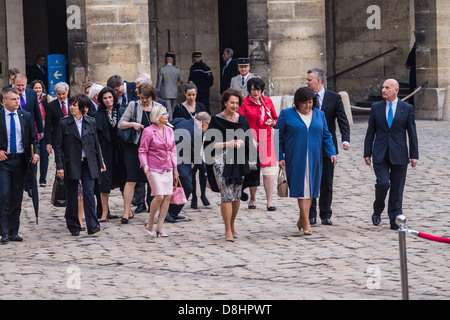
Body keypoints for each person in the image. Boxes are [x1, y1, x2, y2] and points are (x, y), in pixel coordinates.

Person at [275, 87, 337, 236]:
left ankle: (302, 219)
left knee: (311, 190)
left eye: (310, 102)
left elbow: (326, 135)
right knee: (302, 189)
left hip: (315, 158)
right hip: (296, 157)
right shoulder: (286, 114)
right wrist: (280, 157)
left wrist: (331, 152)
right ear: (297, 102)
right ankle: (307, 223)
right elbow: (277, 137)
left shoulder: (319, 114)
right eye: (305, 103)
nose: (308, 106)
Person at [364, 79, 419, 230]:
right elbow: (370, 132)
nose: (383, 90)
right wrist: (367, 153)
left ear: (396, 90)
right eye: (383, 87)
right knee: (383, 183)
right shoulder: (376, 107)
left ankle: (394, 219)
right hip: (380, 153)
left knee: (397, 187)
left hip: (399, 154)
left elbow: (412, 133)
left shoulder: (406, 108)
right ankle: (377, 210)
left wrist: (414, 155)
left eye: (387, 88)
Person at [204, 88, 255, 242]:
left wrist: (241, 142)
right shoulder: (216, 120)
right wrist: (227, 143)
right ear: (225, 103)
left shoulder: (242, 120)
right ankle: (227, 229)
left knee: (236, 195)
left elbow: (248, 141)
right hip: (221, 160)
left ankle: (232, 224)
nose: (234, 105)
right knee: (226, 195)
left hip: (238, 160)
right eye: (231, 102)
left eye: (236, 103)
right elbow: (209, 144)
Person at [54, 94, 105, 236]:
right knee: (72, 195)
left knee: (89, 193)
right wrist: (60, 166)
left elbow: (96, 144)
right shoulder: (64, 123)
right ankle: (73, 224)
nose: (71, 107)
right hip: (71, 164)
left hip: (88, 163)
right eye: (70, 105)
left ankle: (93, 224)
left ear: (83, 108)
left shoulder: (90, 122)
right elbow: (58, 147)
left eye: (74, 105)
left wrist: (101, 162)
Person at [306, 68, 350, 226]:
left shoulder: (334, 97)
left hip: (327, 146)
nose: (307, 82)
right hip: (309, 146)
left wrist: (346, 139)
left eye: (309, 79)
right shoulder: (306, 96)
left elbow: (342, 120)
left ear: (318, 81)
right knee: (310, 181)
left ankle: (325, 214)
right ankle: (310, 214)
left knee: (326, 182)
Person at [118, 83, 163, 224]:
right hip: (135, 147)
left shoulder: (159, 107)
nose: (144, 100)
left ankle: (153, 212)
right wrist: (133, 124)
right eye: (142, 97)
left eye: (147, 98)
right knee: (131, 179)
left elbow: (165, 125)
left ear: (152, 96)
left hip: (153, 149)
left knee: (153, 180)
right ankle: (126, 212)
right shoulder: (133, 105)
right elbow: (121, 124)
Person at [0, 88, 40, 243]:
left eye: (18, 99)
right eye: (13, 99)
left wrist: (36, 152)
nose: (17, 101)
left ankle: (13, 231)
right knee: (4, 195)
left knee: (17, 197)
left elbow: (34, 138)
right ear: (4, 101)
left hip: (20, 162)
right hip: (4, 162)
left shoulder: (25, 116)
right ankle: (3, 231)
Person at [238, 77, 278, 211]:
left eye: (258, 90)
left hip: (266, 138)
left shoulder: (268, 101)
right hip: (251, 139)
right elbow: (241, 123)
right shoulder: (244, 103)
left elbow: (276, 119)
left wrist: (272, 123)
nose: (256, 93)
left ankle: (269, 202)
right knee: (253, 171)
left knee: (267, 171)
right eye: (253, 90)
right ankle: (253, 198)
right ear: (249, 90)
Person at [139, 105, 178, 238]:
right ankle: (150, 222)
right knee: (159, 196)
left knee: (167, 196)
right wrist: (144, 164)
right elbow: (142, 150)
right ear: (156, 117)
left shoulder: (169, 130)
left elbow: (173, 150)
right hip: (153, 168)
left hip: (167, 167)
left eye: (167, 113)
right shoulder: (148, 131)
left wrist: (175, 168)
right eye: (164, 114)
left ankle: (160, 227)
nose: (167, 115)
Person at [167, 112, 211, 221]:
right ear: (204, 124)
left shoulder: (181, 120)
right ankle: (170, 213)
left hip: (170, 159)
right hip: (177, 161)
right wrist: (206, 171)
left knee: (177, 187)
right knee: (187, 187)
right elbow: (197, 157)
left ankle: (172, 212)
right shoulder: (196, 132)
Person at [172, 83, 210, 211]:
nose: (191, 97)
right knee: (190, 171)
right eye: (189, 95)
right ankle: (193, 197)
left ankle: (203, 195)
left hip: (200, 140)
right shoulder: (179, 107)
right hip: (185, 143)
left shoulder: (200, 106)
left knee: (202, 169)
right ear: (185, 94)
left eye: (193, 95)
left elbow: (206, 121)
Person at [94, 87, 126, 222]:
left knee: (124, 179)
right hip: (105, 150)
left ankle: (127, 210)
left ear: (114, 98)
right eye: (105, 98)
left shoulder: (121, 111)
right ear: (101, 100)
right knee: (104, 181)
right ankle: (104, 213)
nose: (108, 100)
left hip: (120, 150)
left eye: (110, 97)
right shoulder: (98, 115)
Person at [14, 74, 44, 197]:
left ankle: (30, 185)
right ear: (13, 84)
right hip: (15, 129)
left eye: (23, 86)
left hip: (30, 130)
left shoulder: (31, 93)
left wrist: (41, 130)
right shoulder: (8, 92)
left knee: (32, 158)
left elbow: (36, 111)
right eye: (18, 86)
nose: (21, 88)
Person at [29, 80, 50, 187]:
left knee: (44, 156)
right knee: (33, 156)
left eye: (39, 88)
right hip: (33, 131)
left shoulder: (46, 100)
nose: (38, 90)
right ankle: (33, 179)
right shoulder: (29, 101)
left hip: (44, 131)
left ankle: (43, 179)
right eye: (36, 88)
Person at [156, 52, 184, 120]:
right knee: (174, 108)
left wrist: (157, 92)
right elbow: (182, 81)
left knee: (168, 109)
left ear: (166, 60)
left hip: (165, 92)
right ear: (172, 60)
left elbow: (159, 83)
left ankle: (171, 123)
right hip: (174, 92)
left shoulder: (162, 69)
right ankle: (174, 121)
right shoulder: (177, 70)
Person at [45, 82, 70, 155]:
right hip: (58, 140)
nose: (61, 96)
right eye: (59, 94)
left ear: (67, 92)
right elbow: (48, 127)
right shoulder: (51, 106)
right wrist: (48, 143)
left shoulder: (73, 103)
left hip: (73, 139)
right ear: (56, 93)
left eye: (63, 93)